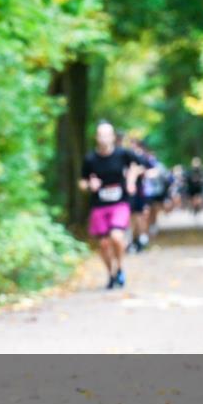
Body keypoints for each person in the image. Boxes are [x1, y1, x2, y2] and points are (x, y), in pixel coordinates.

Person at [79, 121, 143, 289]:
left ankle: (120, 267)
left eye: (107, 135)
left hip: (119, 203)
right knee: (103, 244)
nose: (104, 138)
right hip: (99, 205)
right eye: (101, 135)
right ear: (96, 138)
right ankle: (111, 274)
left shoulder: (123, 154)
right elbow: (82, 182)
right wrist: (89, 185)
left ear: (113, 137)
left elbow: (140, 166)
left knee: (116, 236)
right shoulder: (90, 159)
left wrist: (131, 180)